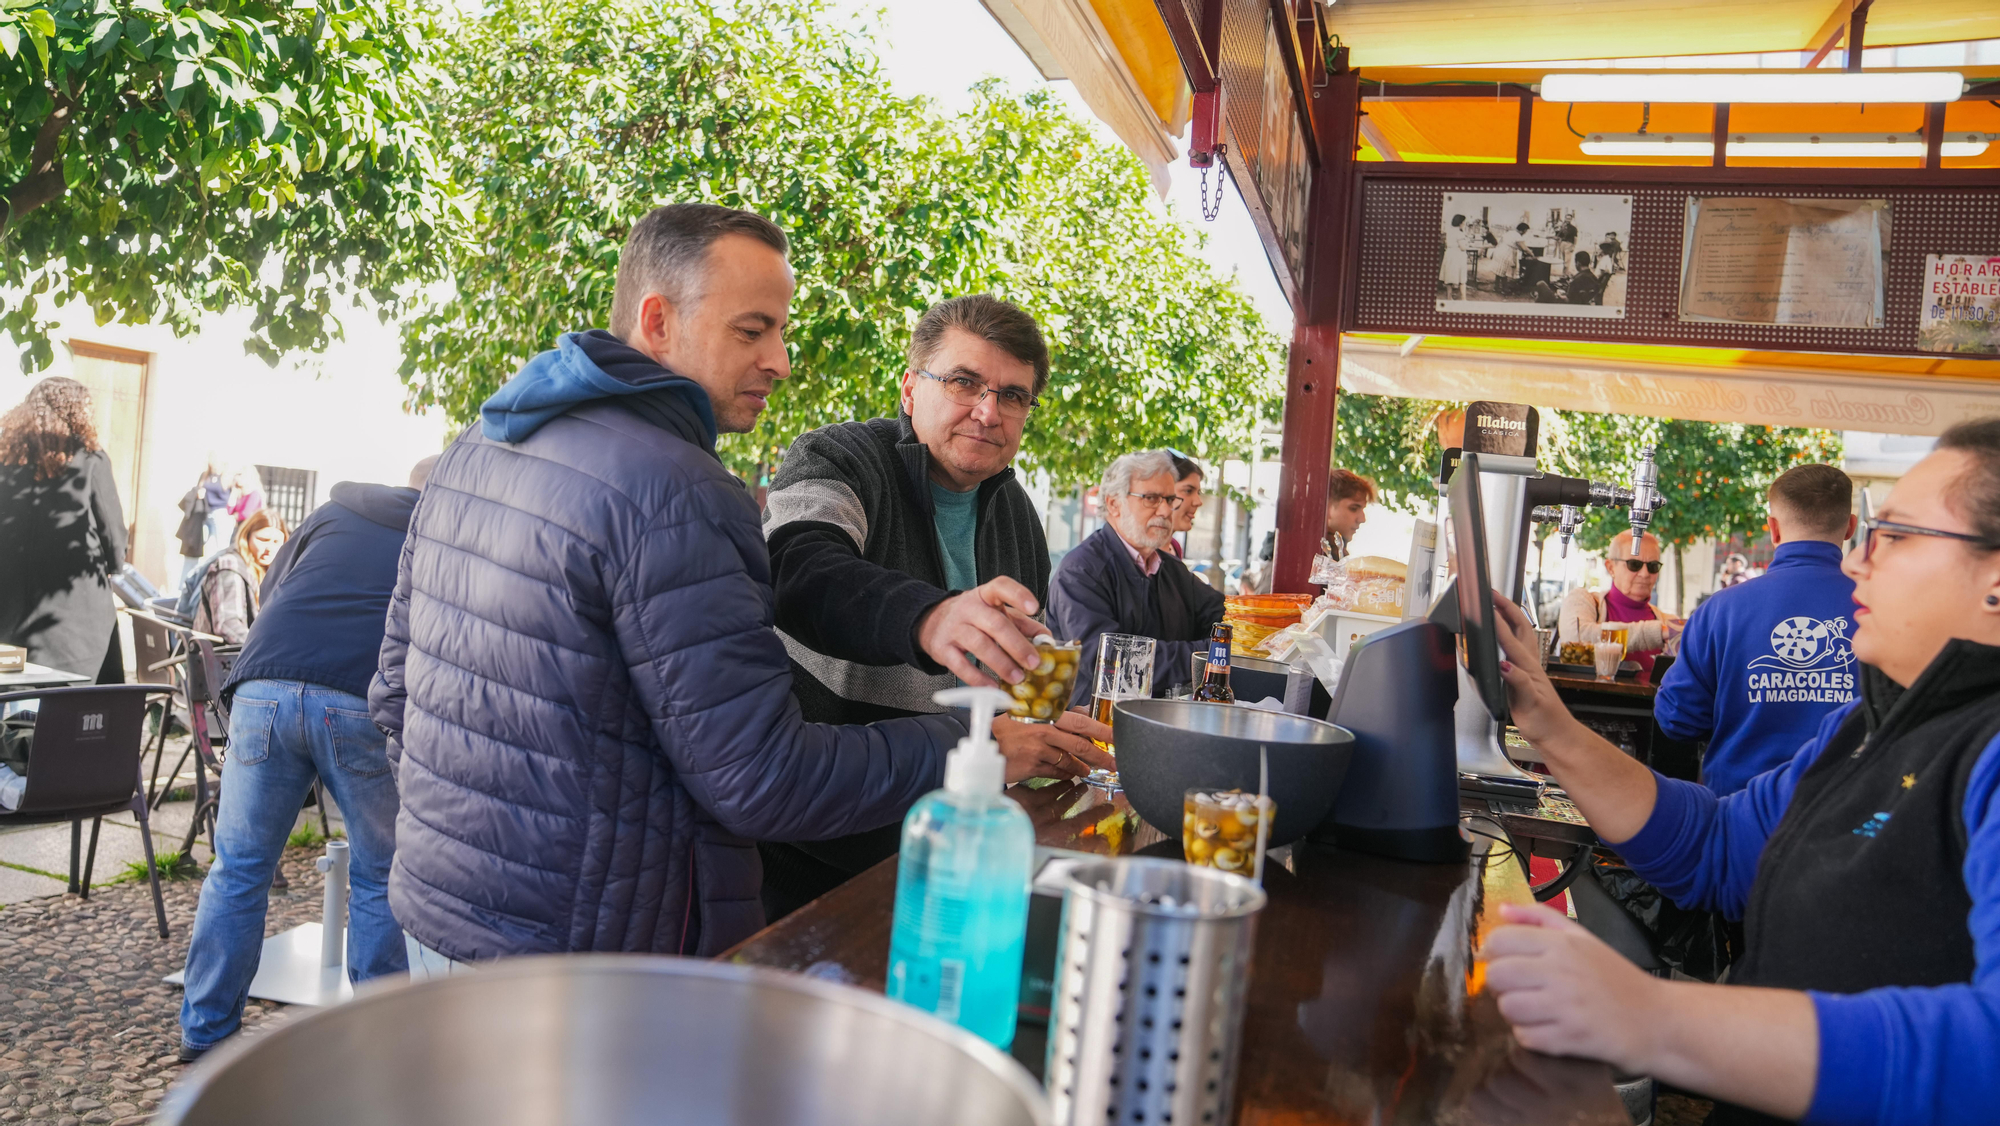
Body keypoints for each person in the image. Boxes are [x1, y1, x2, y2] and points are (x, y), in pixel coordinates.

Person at [371, 202, 1063, 963]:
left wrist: (475, 845)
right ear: (658, 319)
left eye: (1014, 396)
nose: (781, 360)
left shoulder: (475, 446)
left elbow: (395, 691)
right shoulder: (688, 489)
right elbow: (766, 749)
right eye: (752, 329)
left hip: (451, 909)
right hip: (594, 946)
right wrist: (970, 741)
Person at [1479, 417, 2000, 1125]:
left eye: (1897, 536)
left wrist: (1651, 1016)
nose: (1855, 562)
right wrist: (1551, 724)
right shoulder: (1868, 722)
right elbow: (1718, 846)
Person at [758, 294, 1112, 917]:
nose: (987, 411)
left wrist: (1043, 725)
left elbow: (1007, 684)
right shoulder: (839, 458)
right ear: (909, 388)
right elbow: (801, 571)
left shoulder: (1017, 513)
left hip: (956, 850)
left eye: (1013, 396)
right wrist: (930, 617)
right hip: (812, 857)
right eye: (963, 382)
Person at [176, 455, 439, 1062]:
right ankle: (381, 1044)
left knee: (238, 868)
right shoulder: (442, 533)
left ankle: (205, 1034)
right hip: (358, 697)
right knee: (379, 873)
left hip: (265, 684)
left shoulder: (334, 512)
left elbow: (271, 591)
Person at [1656, 464, 1859, 797]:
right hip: (1845, 815)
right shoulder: (1879, 610)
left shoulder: (1720, 610)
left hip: (1738, 813)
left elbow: (1677, 718)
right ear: (1850, 526)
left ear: (1774, 529)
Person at [1049, 450, 1226, 705]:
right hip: (1094, 732)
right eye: (1151, 498)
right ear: (1113, 503)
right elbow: (1113, 665)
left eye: (1169, 498)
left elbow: (1225, 617)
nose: (1165, 510)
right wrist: (1211, 654)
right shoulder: (1081, 571)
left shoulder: (1171, 570)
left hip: (1159, 723)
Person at [0, 378, 127, 681]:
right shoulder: (90, 459)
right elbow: (113, 534)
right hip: (76, 620)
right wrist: (114, 564)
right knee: (79, 716)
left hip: (9, 614)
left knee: (12, 711)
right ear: (77, 413)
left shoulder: (5, 461)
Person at [1558, 531, 1682, 680]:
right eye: (1634, 564)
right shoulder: (1583, 600)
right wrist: (1659, 632)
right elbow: (1577, 639)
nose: (1644, 574)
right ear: (1610, 567)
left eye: (1653, 566)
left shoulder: (1668, 622)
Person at [190, 510, 286, 645]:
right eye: (263, 540)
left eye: (276, 542)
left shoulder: (274, 572)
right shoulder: (231, 568)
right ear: (246, 537)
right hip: (222, 659)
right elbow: (228, 625)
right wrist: (267, 648)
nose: (269, 548)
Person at [1324, 468, 1374, 563]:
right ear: (1328, 506)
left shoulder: (1336, 551)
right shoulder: (1324, 554)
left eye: (1362, 509)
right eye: (1354, 508)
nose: (1362, 519)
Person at [1165, 452, 1205, 560]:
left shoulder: (1175, 547)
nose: (1198, 502)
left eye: (1198, 493)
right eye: (1188, 491)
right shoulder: (1138, 553)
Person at [1535, 253, 1603, 305]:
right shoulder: (1593, 278)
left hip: (1567, 306)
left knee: (1541, 284)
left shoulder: (1577, 279)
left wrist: (1559, 294)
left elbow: (1568, 300)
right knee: (1540, 296)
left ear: (1578, 263)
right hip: (1581, 304)